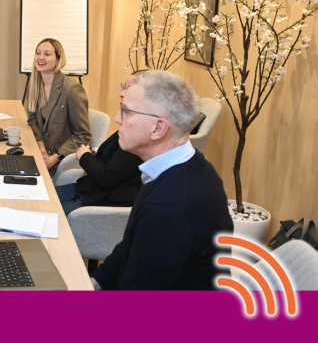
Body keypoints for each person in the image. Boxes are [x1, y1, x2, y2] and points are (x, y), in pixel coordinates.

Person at [91, 70, 233, 290]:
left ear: (158, 128)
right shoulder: (188, 165)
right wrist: (94, 282)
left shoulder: (169, 207)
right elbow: (130, 245)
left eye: (126, 111)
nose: (117, 118)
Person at [55, 72, 144, 217]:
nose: (121, 93)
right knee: (41, 197)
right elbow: (118, 162)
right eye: (123, 87)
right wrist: (95, 154)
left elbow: (107, 178)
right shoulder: (132, 122)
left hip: (100, 201)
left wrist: (85, 157)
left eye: (128, 89)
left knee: (44, 210)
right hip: (88, 189)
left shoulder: (138, 133)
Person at [26, 38, 92, 175]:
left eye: (47, 54)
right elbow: (33, 120)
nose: (40, 57)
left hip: (61, 161)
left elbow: (83, 135)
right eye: (38, 53)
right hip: (40, 152)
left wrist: (55, 157)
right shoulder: (34, 86)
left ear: (58, 60)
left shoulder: (72, 90)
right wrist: (41, 147)